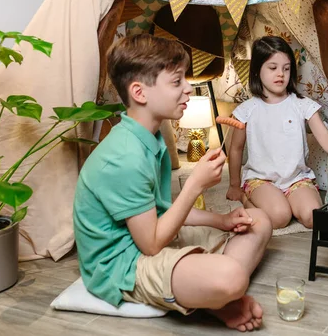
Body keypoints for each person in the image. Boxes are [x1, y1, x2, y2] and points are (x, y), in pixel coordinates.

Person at [73, 34, 272, 332]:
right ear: (140, 92)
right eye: (177, 81)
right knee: (231, 277)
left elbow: (163, 210)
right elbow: (151, 244)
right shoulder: (125, 156)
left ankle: (211, 296)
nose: (188, 88)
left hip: (149, 238)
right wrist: (195, 184)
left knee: (259, 220)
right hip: (123, 265)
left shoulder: (150, 138)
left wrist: (222, 220)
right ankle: (217, 297)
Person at [226, 36, 328, 229]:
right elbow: (235, 149)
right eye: (273, 68)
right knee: (279, 217)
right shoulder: (246, 110)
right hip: (261, 180)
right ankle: (245, 197)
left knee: (313, 218)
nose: (281, 74)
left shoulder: (302, 105)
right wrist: (234, 184)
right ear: (257, 71)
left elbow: (327, 140)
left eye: (286, 68)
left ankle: (291, 200)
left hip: (296, 179)